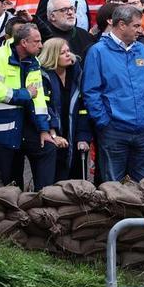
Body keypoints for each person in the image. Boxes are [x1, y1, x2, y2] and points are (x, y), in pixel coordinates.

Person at [83, 5, 144, 182]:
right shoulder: (98, 52)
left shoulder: (141, 49)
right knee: (113, 186)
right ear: (122, 25)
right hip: (114, 130)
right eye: (136, 26)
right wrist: (104, 122)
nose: (140, 30)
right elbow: (91, 92)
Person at [0, 22, 57, 187]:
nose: (41, 45)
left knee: (48, 149)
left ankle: (43, 199)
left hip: (21, 127)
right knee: (8, 181)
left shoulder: (33, 61)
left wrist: (44, 129)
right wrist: (26, 93)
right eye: (36, 41)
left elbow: (39, 99)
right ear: (24, 42)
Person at [39, 38, 92, 181]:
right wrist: (54, 134)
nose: (68, 55)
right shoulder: (42, 77)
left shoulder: (76, 73)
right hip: (53, 136)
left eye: (68, 51)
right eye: (63, 53)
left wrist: (83, 137)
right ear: (52, 56)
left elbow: (83, 107)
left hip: (74, 135)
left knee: (77, 181)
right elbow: (44, 108)